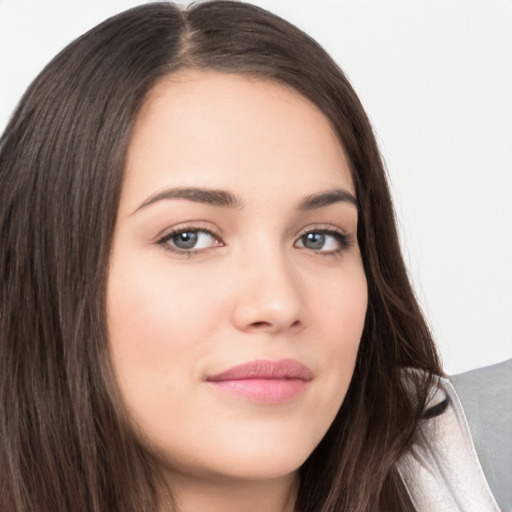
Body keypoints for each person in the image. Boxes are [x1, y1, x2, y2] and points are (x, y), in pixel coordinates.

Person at [0, 2, 508, 511]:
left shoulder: (482, 456)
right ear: (48, 271)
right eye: (189, 237)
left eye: (319, 238)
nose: (279, 302)